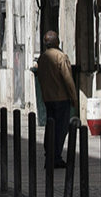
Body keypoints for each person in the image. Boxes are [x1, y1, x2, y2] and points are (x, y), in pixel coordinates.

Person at [32, 29, 79, 168]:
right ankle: (56, 157)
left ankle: (49, 155)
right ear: (57, 42)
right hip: (61, 97)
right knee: (60, 128)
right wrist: (74, 97)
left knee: (50, 126)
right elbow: (68, 79)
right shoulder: (60, 57)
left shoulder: (42, 58)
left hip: (48, 98)